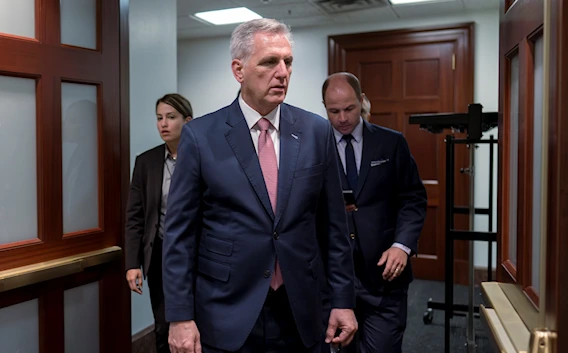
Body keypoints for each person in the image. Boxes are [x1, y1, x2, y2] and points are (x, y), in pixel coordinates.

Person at [162, 19, 357, 353]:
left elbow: (333, 228)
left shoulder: (315, 131)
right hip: (227, 308)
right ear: (239, 70)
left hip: (301, 308)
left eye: (288, 62)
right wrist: (180, 316)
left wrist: (343, 300)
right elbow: (179, 235)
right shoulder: (201, 136)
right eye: (269, 62)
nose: (282, 72)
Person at [322, 72, 427, 353]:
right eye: (333, 111)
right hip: (334, 279)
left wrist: (402, 246)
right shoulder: (314, 148)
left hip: (384, 278)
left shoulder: (392, 143)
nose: (342, 118)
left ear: (362, 101)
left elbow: (413, 199)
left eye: (349, 109)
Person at [124, 93, 193, 353]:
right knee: (164, 325)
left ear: (187, 121)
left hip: (196, 253)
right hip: (160, 254)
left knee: (199, 324)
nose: (163, 124)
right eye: (159, 118)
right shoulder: (146, 162)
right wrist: (133, 264)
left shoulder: (201, 157)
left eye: (171, 117)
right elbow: (135, 216)